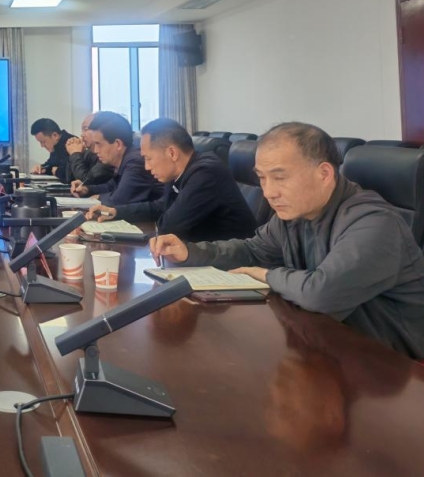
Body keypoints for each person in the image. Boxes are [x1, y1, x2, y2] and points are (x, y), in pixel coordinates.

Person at [151, 122, 424, 359]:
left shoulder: (375, 223)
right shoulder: (293, 214)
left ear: (324, 174)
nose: (269, 192)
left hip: (397, 370)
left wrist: (268, 276)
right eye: (262, 178)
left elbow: (322, 293)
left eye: (280, 177)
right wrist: (190, 252)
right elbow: (253, 251)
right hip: (329, 344)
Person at [86, 117, 256, 242]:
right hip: (204, 256)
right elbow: (161, 206)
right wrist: (117, 212)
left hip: (232, 266)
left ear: (172, 153)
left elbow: (170, 227)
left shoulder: (206, 173)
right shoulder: (180, 170)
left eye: (149, 158)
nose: (146, 167)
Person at [71, 111, 162, 206]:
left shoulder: (135, 162)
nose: (96, 150)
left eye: (99, 144)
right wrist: (87, 189)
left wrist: (100, 197)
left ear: (118, 144)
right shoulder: (125, 159)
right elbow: (111, 186)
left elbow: (119, 200)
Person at [65, 113, 114, 189]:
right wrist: (73, 154)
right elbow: (69, 180)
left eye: (85, 129)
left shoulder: (107, 153)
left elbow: (87, 181)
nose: (82, 135)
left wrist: (75, 154)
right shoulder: (88, 152)